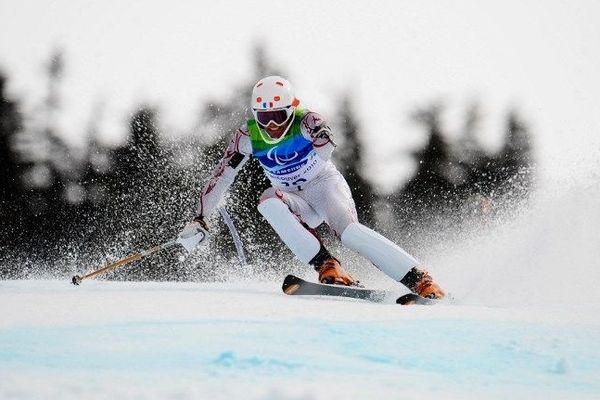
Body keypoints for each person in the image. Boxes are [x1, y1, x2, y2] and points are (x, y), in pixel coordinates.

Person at [178, 76, 445, 299]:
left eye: (278, 116)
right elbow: (221, 177)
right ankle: (328, 266)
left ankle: (420, 279)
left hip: (324, 187)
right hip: (296, 200)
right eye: (264, 117)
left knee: (350, 233)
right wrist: (200, 218)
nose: (271, 126)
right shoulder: (247, 136)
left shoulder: (306, 120)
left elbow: (326, 147)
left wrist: (322, 137)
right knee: (268, 201)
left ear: (292, 110)